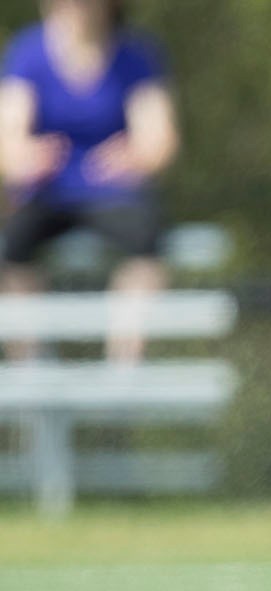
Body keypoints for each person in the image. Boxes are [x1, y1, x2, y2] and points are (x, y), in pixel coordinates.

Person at [0, 0, 178, 363]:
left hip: (112, 191)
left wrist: (136, 155)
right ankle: (29, 360)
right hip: (45, 191)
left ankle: (123, 362)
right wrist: (28, 155)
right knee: (12, 245)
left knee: (147, 241)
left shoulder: (136, 55)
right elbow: (9, 137)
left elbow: (160, 139)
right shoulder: (28, 52)